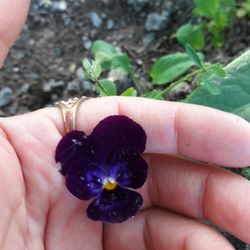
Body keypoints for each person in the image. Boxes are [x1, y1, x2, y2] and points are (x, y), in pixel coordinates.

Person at [1, 1, 250, 249]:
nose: (109, 182)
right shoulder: (97, 161)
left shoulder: (90, 162)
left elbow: (76, 167)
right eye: (108, 181)